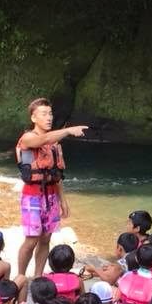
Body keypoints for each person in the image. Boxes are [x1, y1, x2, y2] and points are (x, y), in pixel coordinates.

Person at [15, 98, 88, 277]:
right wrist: (69, 130)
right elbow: (44, 139)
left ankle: (38, 276)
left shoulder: (54, 144)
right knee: (31, 240)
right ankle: (21, 276)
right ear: (33, 118)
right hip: (32, 196)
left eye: (50, 114)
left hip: (51, 195)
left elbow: (56, 175)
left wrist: (63, 200)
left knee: (46, 239)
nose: (49, 118)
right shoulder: (28, 138)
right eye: (44, 114)